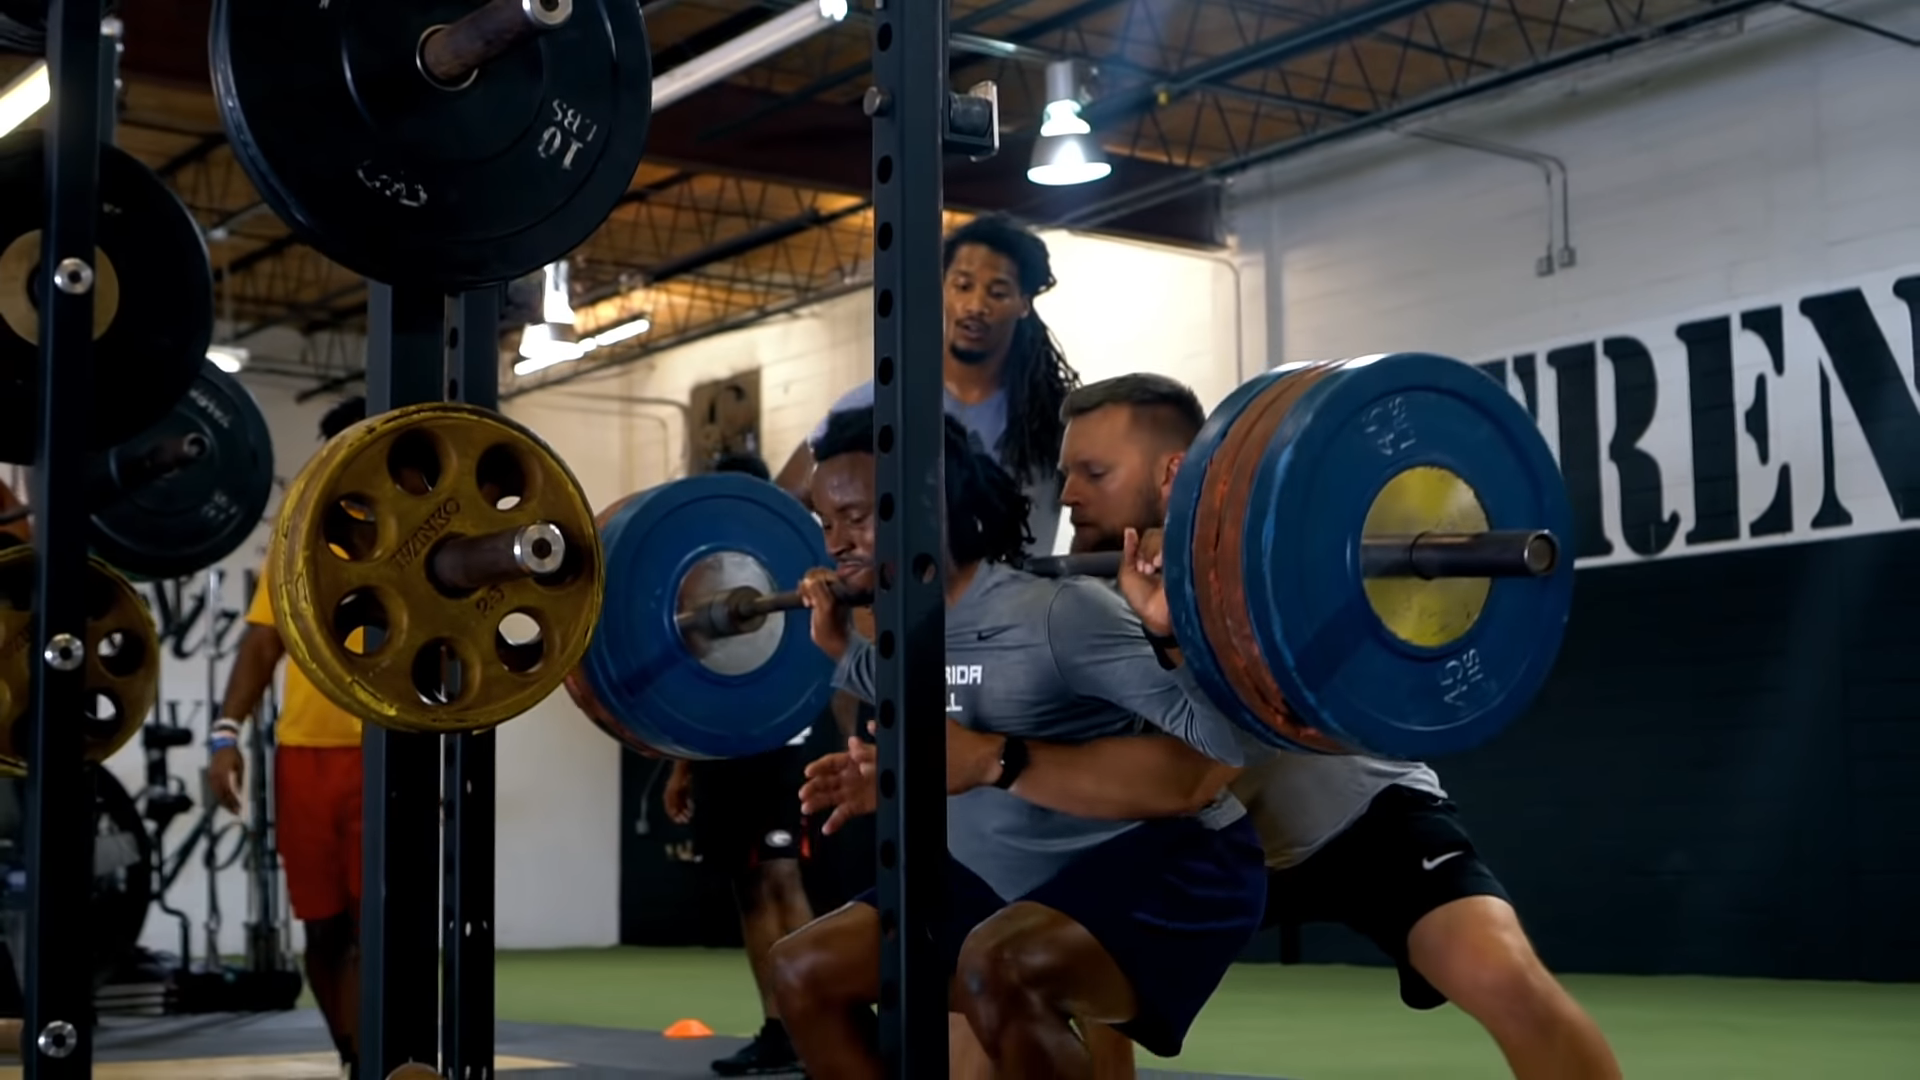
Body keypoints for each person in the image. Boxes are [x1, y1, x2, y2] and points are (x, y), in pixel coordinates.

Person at [929, 373, 1622, 1080]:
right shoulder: (1077, 604)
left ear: (1174, 472)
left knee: (1503, 977)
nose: (1069, 494)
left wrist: (995, 758)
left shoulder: (1260, 565)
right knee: (1046, 967)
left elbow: (1197, 770)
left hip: (1359, 815)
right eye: (1068, 472)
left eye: (1095, 472)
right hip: (1213, 841)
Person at [769, 407, 1265, 1080]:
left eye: (856, 518)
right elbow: (919, 696)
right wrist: (843, 658)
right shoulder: (905, 628)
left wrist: (1172, 635)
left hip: (1164, 865)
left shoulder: (1058, 615)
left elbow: (1220, 741)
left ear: (929, 505)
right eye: (827, 524)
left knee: (999, 970)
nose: (838, 543)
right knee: (802, 971)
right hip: (1005, 874)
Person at [211, 396, 369, 1080]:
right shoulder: (300, 541)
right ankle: (352, 1055)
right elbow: (261, 641)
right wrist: (224, 734)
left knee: (379, 928)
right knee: (325, 931)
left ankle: (380, 1058)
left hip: (387, 758)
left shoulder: (429, 538)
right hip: (304, 757)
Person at [774, 213, 1080, 555]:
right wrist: (838, 573)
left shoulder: (1053, 418)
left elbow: (1100, 513)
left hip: (1020, 604)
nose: (976, 306)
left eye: (997, 292)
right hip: (913, 607)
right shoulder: (875, 403)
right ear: (943, 288)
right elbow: (780, 508)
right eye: (963, 286)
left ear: (1023, 303)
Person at [660, 451, 815, 1077]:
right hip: (721, 746)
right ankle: (779, 1028)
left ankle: (818, 1023)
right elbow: (688, 664)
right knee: (749, 891)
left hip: (784, 743)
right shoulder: (698, 571)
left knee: (784, 882)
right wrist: (681, 764)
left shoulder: (792, 555)